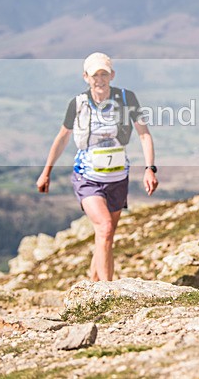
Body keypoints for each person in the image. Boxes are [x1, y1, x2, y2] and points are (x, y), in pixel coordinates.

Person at [36, 52, 158, 281]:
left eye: (104, 74)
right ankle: (107, 293)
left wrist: (150, 168)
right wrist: (46, 172)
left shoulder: (127, 98)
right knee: (104, 229)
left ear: (112, 75)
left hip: (117, 179)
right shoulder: (78, 104)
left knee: (106, 236)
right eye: (94, 75)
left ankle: (93, 285)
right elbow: (62, 138)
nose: (99, 79)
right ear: (85, 77)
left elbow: (144, 135)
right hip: (87, 178)